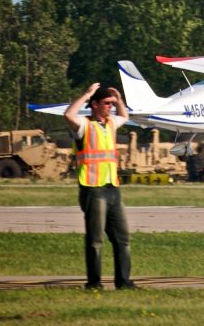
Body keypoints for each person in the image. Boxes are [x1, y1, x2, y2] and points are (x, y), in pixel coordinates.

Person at [64, 82, 136, 290]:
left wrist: (120, 100)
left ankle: (124, 282)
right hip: (93, 188)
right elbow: (68, 115)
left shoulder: (111, 123)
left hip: (112, 187)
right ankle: (94, 283)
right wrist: (86, 94)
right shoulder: (84, 125)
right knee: (95, 240)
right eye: (107, 103)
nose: (110, 107)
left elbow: (125, 117)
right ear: (94, 104)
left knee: (122, 238)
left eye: (112, 104)